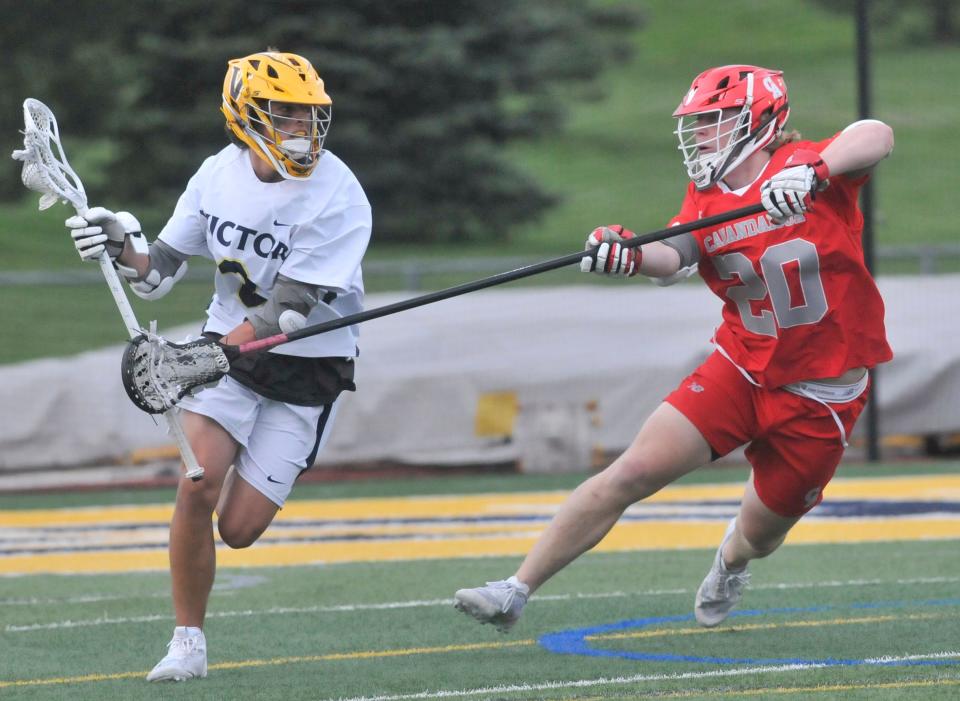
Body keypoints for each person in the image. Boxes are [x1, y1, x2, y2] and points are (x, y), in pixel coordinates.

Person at [454, 64, 894, 632]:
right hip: (740, 367)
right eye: (699, 122)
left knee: (761, 535)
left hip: (821, 392)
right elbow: (676, 253)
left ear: (759, 119)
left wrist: (816, 169)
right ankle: (515, 588)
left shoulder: (807, 165)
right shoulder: (707, 196)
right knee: (630, 472)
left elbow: (876, 133)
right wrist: (628, 255)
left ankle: (731, 560)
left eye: (714, 120)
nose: (702, 134)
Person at [67, 51, 372, 680]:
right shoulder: (216, 174)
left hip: (306, 367)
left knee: (238, 529)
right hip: (228, 355)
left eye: (310, 116)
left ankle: (243, 506)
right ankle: (187, 643)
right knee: (196, 484)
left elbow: (287, 310)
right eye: (285, 113)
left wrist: (205, 355)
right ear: (245, 114)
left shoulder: (339, 193)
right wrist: (117, 240)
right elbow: (157, 273)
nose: (301, 128)